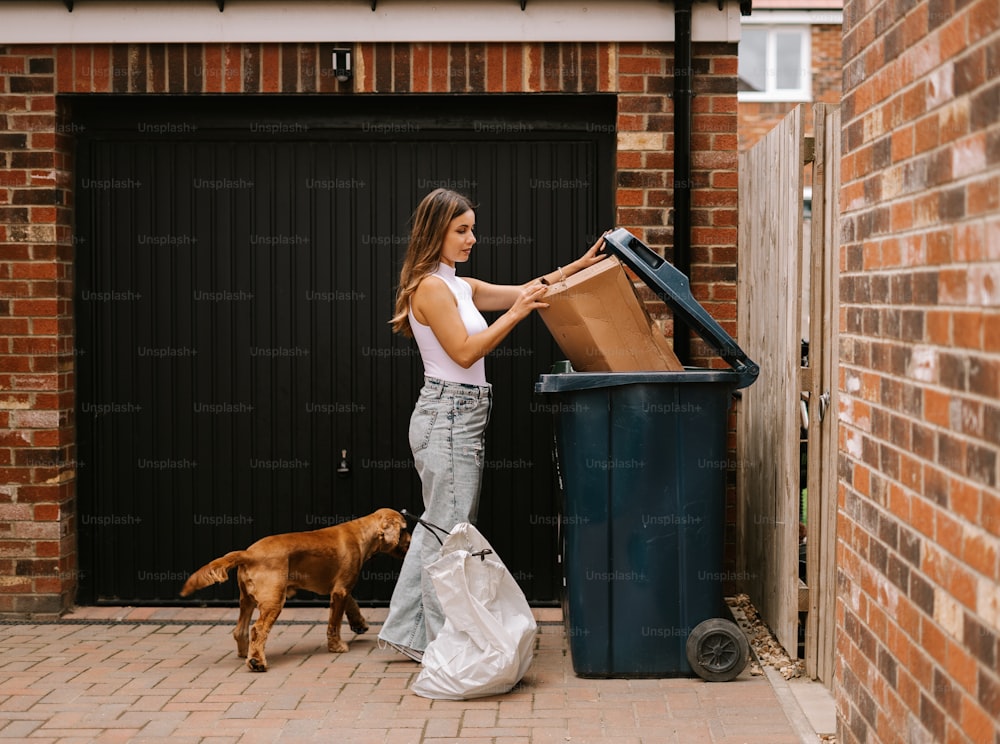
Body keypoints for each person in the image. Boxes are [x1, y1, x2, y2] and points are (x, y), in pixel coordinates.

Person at [378, 187, 607, 662]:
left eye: (472, 229)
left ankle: (410, 633)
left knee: (437, 528)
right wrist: (519, 315)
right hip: (448, 414)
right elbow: (464, 351)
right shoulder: (430, 288)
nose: (472, 238)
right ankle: (444, 644)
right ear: (435, 231)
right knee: (451, 531)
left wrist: (581, 265)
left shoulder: (460, 285)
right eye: (461, 230)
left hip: (459, 413)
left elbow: (529, 289)